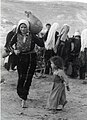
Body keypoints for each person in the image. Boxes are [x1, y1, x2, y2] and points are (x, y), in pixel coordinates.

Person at [8, 19, 44, 108]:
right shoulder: (16, 35)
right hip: (20, 58)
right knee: (21, 76)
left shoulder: (32, 36)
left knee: (29, 77)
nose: (23, 29)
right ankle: (20, 93)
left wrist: (39, 36)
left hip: (31, 57)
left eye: (25, 27)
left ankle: (24, 96)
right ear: (19, 28)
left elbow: (41, 44)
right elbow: (8, 45)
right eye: (21, 27)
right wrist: (14, 50)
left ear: (28, 28)